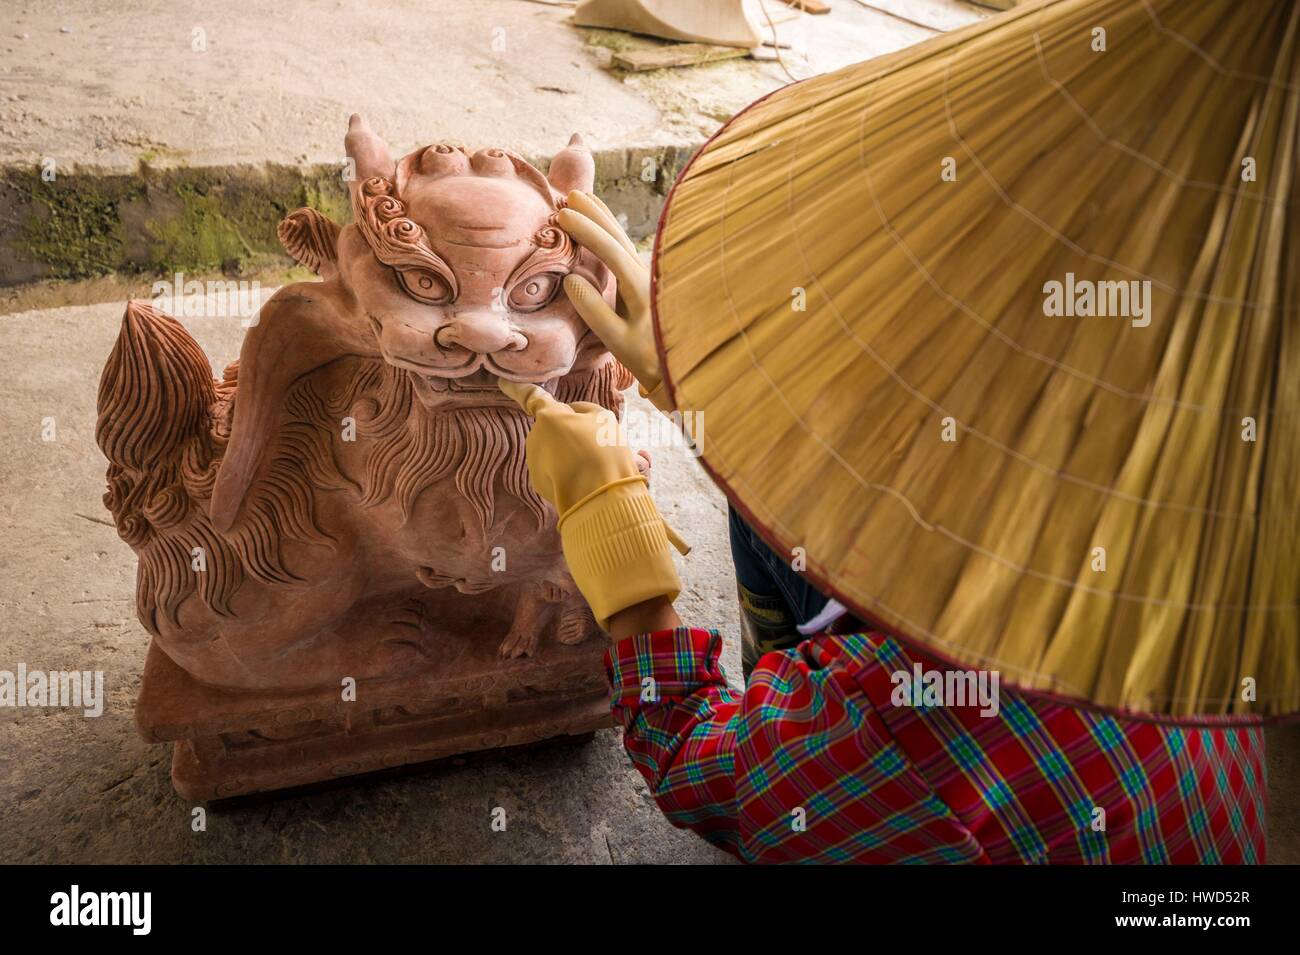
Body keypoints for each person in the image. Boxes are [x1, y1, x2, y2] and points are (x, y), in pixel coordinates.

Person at [496, 191, 1268, 865]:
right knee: (771, 523)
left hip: (940, 775)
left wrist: (616, 539)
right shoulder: (1140, 498)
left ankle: (791, 758)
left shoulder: (906, 722)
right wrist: (703, 411)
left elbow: (687, 756)